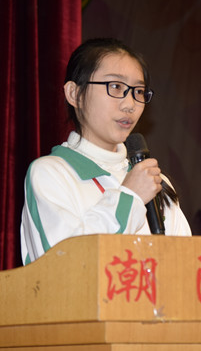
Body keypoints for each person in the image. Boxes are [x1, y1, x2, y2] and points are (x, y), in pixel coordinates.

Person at [20, 38, 192, 265]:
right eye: (116, 87)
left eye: (138, 91)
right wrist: (130, 198)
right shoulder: (50, 173)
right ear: (74, 94)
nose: (130, 104)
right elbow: (63, 265)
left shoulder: (154, 181)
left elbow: (186, 264)